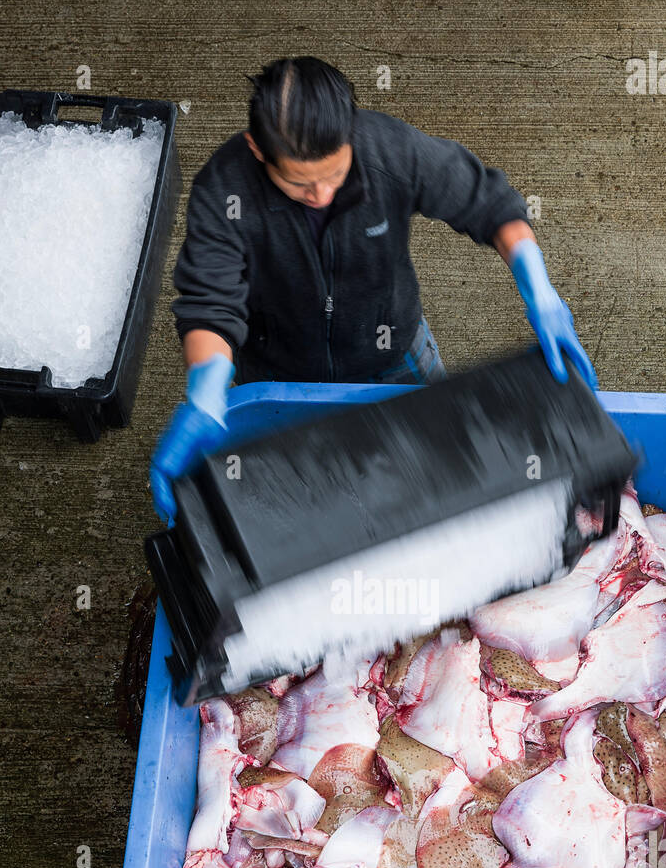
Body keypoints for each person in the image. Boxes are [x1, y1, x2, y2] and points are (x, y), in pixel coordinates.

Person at [151, 56, 597, 521]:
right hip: (279, 371)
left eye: (334, 175)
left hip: (394, 355)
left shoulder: (391, 150)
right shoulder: (223, 191)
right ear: (258, 151)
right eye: (299, 183)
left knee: (436, 458)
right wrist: (205, 391)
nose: (321, 195)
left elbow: (488, 203)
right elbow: (210, 302)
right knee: (309, 488)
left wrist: (539, 291)